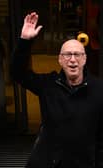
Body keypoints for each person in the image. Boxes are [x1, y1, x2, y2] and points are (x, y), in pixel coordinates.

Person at [11, 12, 103, 168]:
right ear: (60, 60)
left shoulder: (99, 89)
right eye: (67, 55)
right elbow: (18, 73)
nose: (72, 60)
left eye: (77, 55)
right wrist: (25, 41)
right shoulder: (48, 85)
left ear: (85, 59)